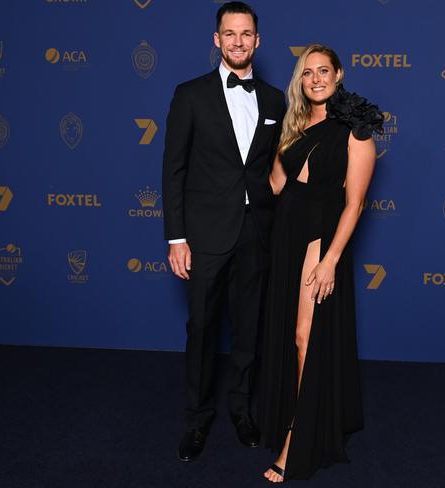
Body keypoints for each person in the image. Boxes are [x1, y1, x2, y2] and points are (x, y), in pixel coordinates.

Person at [162, 2, 285, 463]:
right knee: (202, 329)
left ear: (258, 40)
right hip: (206, 235)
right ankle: (196, 420)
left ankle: (241, 411)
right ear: (217, 39)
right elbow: (172, 170)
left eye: (246, 34)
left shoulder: (274, 99)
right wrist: (177, 238)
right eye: (229, 34)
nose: (237, 41)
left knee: (249, 329)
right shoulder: (189, 94)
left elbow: (278, 165)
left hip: (256, 233)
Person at [258, 44, 384, 481]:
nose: (315, 78)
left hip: (319, 237)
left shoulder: (356, 130)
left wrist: (330, 259)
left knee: (303, 336)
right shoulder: (295, 123)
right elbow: (276, 184)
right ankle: (294, 414)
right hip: (285, 234)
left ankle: (300, 435)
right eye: (307, 72)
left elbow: (354, 205)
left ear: (339, 74)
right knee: (285, 334)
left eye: (323, 70)